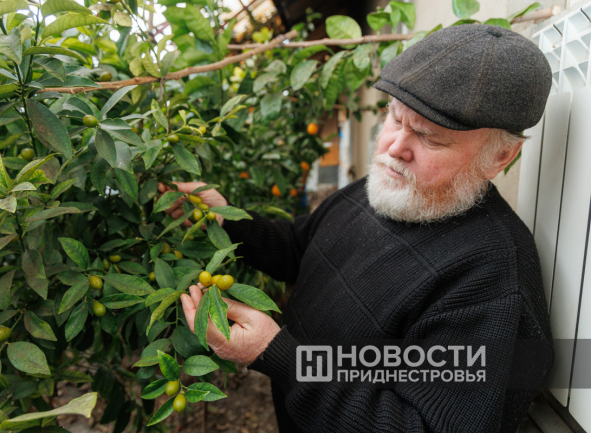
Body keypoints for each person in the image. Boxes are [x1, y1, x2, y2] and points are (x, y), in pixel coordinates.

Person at [164, 24, 554, 432]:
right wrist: (226, 217)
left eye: (429, 138)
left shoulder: (490, 281)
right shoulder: (395, 188)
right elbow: (301, 247)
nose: (395, 147)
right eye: (395, 118)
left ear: (501, 156)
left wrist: (277, 355)